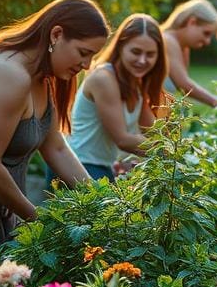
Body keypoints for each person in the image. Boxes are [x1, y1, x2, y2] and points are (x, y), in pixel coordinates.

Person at [0, 0, 110, 280]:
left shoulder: (42, 78)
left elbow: (56, 148)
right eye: (83, 52)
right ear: (56, 34)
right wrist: (37, 220)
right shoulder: (8, 74)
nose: (87, 64)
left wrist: (102, 204)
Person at [61, 14, 168, 182]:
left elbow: (153, 132)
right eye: (136, 52)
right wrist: (171, 152)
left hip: (102, 167)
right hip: (77, 166)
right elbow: (122, 139)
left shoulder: (135, 82)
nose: (142, 60)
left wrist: (177, 147)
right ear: (121, 47)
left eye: (150, 54)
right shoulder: (104, 78)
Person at [160, 0, 217, 107]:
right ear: (192, 22)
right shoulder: (168, 40)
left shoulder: (184, 48)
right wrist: (216, 101)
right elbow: (183, 85)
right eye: (206, 33)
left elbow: (181, 91)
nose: (207, 41)